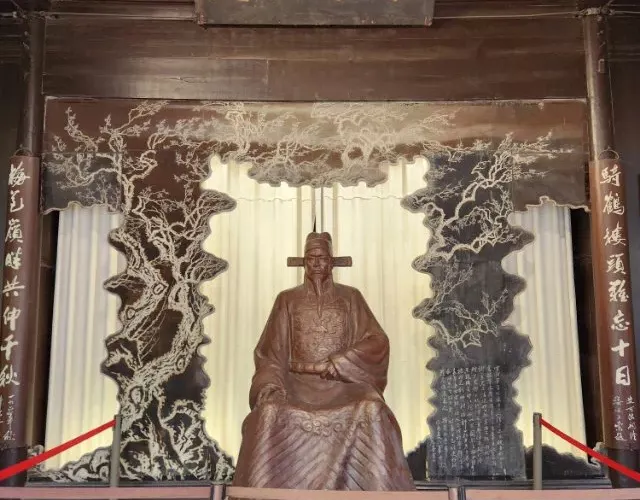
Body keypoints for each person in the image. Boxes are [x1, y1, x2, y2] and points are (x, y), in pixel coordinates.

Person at [232, 232, 415, 491]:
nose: (317, 263)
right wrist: (270, 386)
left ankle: (375, 489)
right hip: (296, 384)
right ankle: (263, 491)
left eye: (322, 258)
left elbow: (377, 340)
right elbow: (269, 353)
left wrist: (342, 362)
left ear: (332, 262)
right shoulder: (287, 299)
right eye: (311, 258)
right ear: (303, 262)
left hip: (342, 385)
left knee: (372, 408)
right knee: (268, 412)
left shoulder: (351, 297)